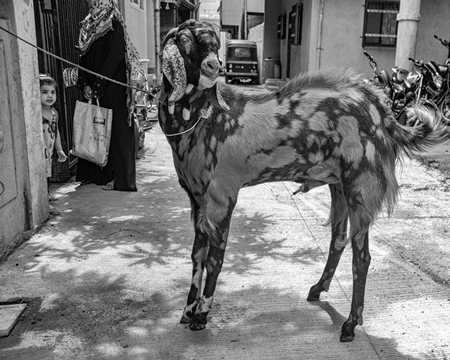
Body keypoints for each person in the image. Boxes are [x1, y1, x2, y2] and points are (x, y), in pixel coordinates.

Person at [75, 0, 145, 191]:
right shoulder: (87, 26)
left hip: (114, 85)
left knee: (119, 130)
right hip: (93, 86)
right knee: (93, 127)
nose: (95, 4)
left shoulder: (114, 24)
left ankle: (121, 180)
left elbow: (115, 57)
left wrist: (99, 84)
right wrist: (86, 84)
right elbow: (83, 57)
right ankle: (96, 175)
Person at [39, 74, 68, 215]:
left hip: (49, 151)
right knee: (42, 174)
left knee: (48, 173)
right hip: (40, 152)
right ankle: (45, 204)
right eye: (44, 92)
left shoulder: (54, 113)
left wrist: (59, 149)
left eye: (52, 92)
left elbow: (56, 132)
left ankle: (47, 194)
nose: (49, 96)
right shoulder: (36, 112)